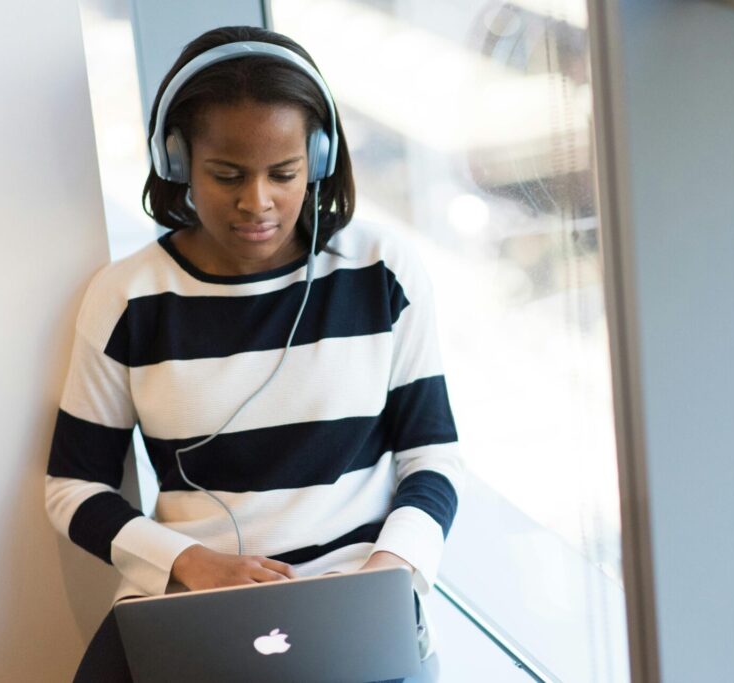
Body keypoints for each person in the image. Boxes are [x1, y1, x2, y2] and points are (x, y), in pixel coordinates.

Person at [45, 24, 463, 682]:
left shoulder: (383, 271)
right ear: (177, 160)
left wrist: (392, 568)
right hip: (191, 595)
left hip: (355, 588)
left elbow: (432, 456)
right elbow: (74, 486)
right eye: (227, 174)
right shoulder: (127, 297)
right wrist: (187, 562)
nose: (258, 201)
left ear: (320, 158)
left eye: (284, 173)